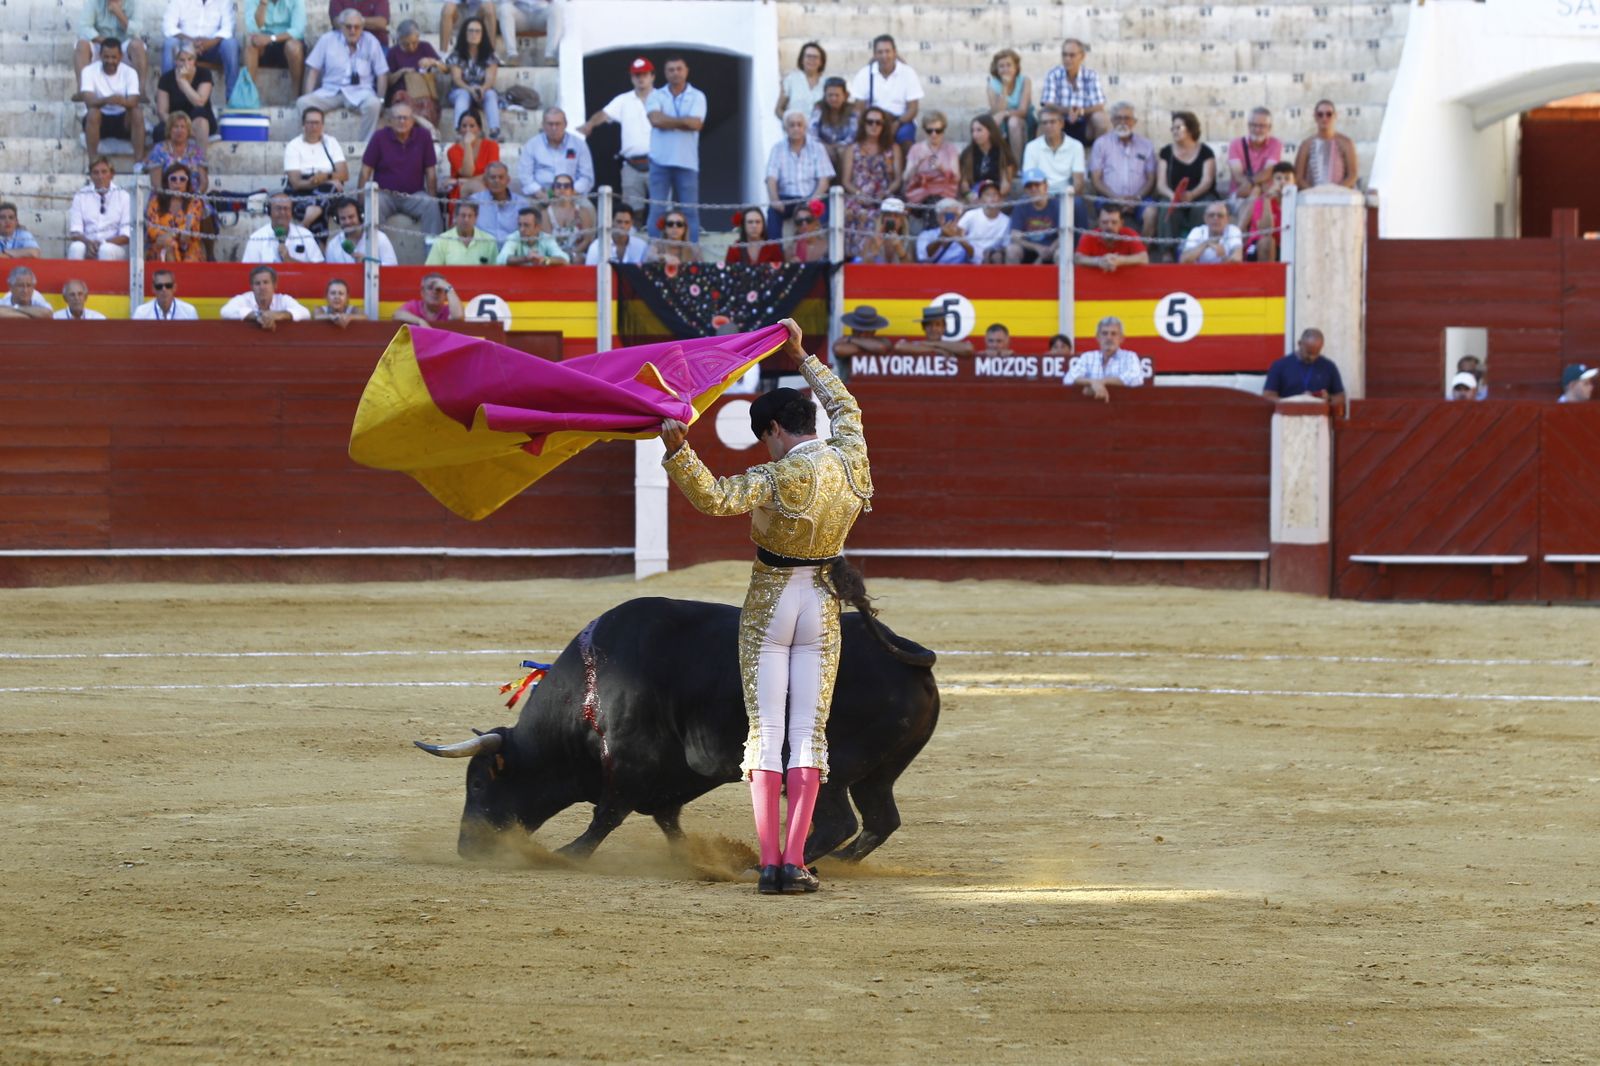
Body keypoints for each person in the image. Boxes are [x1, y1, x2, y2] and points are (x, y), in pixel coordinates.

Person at [657, 318, 874, 896]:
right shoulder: (852, 456)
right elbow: (846, 405)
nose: (768, 447)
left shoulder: (778, 475)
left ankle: (769, 862)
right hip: (823, 602)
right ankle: (793, 864)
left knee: (766, 729)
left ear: (775, 429)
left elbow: (714, 498)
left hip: (772, 603)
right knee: (808, 732)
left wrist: (679, 452)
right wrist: (803, 357)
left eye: (765, 437)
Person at [577, 57, 656, 211]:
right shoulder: (623, 100)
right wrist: (590, 124)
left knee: (661, 211)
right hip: (631, 166)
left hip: (659, 165)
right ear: (632, 78)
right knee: (632, 212)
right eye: (637, 75)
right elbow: (604, 114)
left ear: (652, 76)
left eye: (645, 74)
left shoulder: (664, 98)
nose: (641, 78)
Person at [299, 11, 388, 142]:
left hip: (361, 92)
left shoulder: (371, 41)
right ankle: (315, 143)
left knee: (374, 104)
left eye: (357, 27)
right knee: (303, 102)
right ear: (341, 26)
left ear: (362, 27)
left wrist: (381, 100)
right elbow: (313, 70)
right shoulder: (327, 39)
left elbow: (382, 73)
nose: (353, 30)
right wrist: (308, 94)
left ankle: (366, 146)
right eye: (348, 26)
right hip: (330, 91)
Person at [646, 57, 707, 240]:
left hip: (687, 162)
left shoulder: (698, 96)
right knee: (657, 210)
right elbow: (655, 120)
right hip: (659, 162)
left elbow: (696, 124)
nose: (675, 73)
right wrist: (683, 121)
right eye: (671, 69)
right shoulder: (655, 95)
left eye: (679, 69)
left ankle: (692, 251)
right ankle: (655, 250)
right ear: (665, 73)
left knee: (690, 212)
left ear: (686, 71)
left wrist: (667, 121)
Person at [360, 101, 442, 235]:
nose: (402, 121)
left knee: (431, 205)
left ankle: (433, 248)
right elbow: (365, 171)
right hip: (385, 195)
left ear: (413, 120)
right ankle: (376, 248)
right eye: (398, 118)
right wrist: (361, 203)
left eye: (406, 118)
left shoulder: (424, 136)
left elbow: (431, 173)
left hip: (414, 195)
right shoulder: (379, 137)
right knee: (374, 205)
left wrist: (433, 197)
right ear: (390, 121)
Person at [1152, 110, 1218, 258]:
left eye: (1179, 127)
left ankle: (1199, 249)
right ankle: (1167, 251)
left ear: (1190, 129)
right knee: (1166, 206)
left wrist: (1192, 194)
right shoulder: (1166, 152)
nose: (1174, 131)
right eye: (1173, 128)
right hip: (1173, 195)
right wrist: (1172, 196)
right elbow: (1161, 184)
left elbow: (1207, 181)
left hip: (1200, 195)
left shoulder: (1206, 152)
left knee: (1203, 206)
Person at [841, 106, 900, 259]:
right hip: (858, 196)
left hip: (883, 198)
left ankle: (877, 259)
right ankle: (856, 259)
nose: (874, 126)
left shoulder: (893, 148)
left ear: (884, 125)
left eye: (878, 123)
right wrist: (859, 194)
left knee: (883, 215)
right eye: (870, 122)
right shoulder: (852, 149)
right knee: (854, 212)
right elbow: (846, 181)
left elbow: (898, 179)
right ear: (864, 124)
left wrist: (886, 193)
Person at [765, 111, 834, 241]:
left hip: (813, 197)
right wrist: (775, 200)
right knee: (772, 212)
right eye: (792, 125)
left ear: (805, 127)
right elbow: (771, 179)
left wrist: (812, 200)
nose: (796, 128)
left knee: (827, 210)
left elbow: (824, 180)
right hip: (787, 199)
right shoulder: (777, 149)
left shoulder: (817, 148)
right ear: (785, 128)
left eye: (799, 124)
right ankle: (774, 253)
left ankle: (824, 251)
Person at [76, 37, 145, 163]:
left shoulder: (130, 72)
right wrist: (107, 100)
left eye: (114, 57)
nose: (110, 61)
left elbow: (134, 101)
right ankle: (93, 162)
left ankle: (139, 163)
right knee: (93, 112)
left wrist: (119, 101)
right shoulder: (89, 71)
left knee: (137, 112)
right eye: (106, 57)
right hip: (100, 120)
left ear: (121, 56)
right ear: (100, 55)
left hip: (123, 120)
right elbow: (88, 101)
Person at [1088, 101, 1156, 227]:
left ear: (1134, 122)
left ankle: (1143, 241)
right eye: (1118, 118)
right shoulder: (1101, 144)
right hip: (1109, 198)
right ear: (1112, 121)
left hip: (1139, 199)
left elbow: (1151, 179)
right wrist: (1116, 198)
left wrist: (1137, 198)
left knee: (1151, 213)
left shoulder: (1146, 145)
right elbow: (1096, 179)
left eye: (1127, 118)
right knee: (1108, 216)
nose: (1123, 122)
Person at [283, 106, 348, 234]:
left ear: (322, 125)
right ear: (303, 125)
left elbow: (344, 174)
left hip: (328, 186)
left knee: (328, 191)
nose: (314, 127)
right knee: (324, 202)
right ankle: (319, 244)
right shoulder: (293, 145)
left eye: (317, 123)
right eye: (310, 123)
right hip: (302, 190)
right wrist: (322, 181)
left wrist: (325, 177)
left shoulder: (331, 142)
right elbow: (296, 183)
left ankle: (304, 225)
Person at [847, 34, 921, 146]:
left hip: (900, 120)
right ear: (874, 54)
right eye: (880, 52)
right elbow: (859, 108)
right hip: (873, 120)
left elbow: (913, 109)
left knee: (906, 140)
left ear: (894, 52)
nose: (884, 56)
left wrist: (897, 124)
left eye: (887, 51)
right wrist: (870, 125)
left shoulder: (908, 73)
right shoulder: (864, 74)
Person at [161, 0, 239, 100]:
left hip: (213, 47)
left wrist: (210, 43)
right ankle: (166, 95)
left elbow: (228, 28)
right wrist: (191, 41)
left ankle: (232, 98)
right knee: (170, 43)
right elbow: (168, 26)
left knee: (231, 44)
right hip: (186, 46)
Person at [76, 0, 150, 102]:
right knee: (81, 45)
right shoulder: (93, 2)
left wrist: (119, 14)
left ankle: (140, 91)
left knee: (138, 46)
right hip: (100, 42)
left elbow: (137, 30)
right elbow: (84, 27)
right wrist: (106, 43)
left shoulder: (134, 2)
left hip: (124, 44)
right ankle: (82, 91)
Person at [1039, 37, 1108, 146]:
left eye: (1072, 55)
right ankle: (1043, 154)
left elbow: (1099, 105)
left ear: (1082, 56)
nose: (1067, 59)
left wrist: (1081, 112)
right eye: (1064, 55)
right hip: (1060, 122)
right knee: (1044, 116)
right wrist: (1069, 111)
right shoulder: (1053, 74)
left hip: (1085, 122)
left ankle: (1099, 154)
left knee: (1101, 119)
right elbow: (1047, 103)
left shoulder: (1091, 75)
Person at [517, 107, 593, 198]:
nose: (554, 128)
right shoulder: (532, 145)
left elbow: (586, 177)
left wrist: (571, 191)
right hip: (540, 195)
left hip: (573, 195)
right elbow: (525, 175)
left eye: (558, 124)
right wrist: (539, 192)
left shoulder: (579, 145)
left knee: (587, 207)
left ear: (565, 124)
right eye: (550, 124)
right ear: (543, 125)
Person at [1064, 316, 1145, 400]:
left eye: (1113, 333)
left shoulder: (1129, 357)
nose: (1109, 337)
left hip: (1121, 406)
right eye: (1104, 333)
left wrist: (1100, 383)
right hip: (1090, 407)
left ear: (1121, 338)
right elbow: (1069, 378)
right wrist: (1092, 382)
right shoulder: (1087, 357)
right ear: (1097, 337)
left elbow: (1136, 379)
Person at [446, 16, 501, 140]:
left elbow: (490, 79)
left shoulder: (489, 55)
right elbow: (457, 79)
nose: (474, 34)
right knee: (463, 95)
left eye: (477, 31)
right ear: (464, 33)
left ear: (482, 34)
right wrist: (470, 89)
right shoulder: (456, 55)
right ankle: (459, 131)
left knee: (490, 94)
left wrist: (482, 89)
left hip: (482, 90)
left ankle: (494, 131)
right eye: (470, 31)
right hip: (460, 90)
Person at [67, 157, 132, 261]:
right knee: (76, 247)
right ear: (91, 176)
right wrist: (88, 243)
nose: (100, 176)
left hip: (114, 247)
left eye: (104, 172)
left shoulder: (124, 197)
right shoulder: (81, 195)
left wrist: (103, 244)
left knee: (105, 250)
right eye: (95, 173)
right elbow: (75, 232)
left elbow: (126, 235)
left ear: (112, 175)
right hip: (88, 244)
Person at [155, 41, 216, 146]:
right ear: (176, 61)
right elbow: (162, 112)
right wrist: (179, 126)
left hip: (200, 119)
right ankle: (170, 157)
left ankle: (201, 155)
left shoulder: (204, 74)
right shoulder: (166, 78)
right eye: (181, 60)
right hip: (175, 121)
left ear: (195, 60)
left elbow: (199, 102)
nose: (186, 64)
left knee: (199, 112)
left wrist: (183, 83)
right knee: (159, 131)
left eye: (190, 59)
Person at [1262, 328, 1345, 404]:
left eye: (1316, 353)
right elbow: (1268, 396)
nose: (1311, 357)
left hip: (1319, 414)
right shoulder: (1280, 366)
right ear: (1299, 344)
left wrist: (1329, 398)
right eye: (1308, 353)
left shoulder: (1329, 367)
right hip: (1288, 413)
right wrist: (1293, 402)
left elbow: (1341, 397)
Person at [243, 0, 307, 98]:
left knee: (293, 47)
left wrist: (271, 38)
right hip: (264, 42)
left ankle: (296, 94)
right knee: (250, 45)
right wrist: (263, 4)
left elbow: (298, 30)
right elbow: (253, 28)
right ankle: (249, 95)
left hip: (287, 40)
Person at [445, 107, 500, 219]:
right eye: (464, 126)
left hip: (487, 188)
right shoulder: (453, 150)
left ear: (479, 128)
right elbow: (468, 172)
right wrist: (468, 145)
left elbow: (492, 174)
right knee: (475, 185)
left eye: (472, 126)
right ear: (459, 129)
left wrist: (463, 180)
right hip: (462, 192)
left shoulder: (491, 146)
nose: (467, 130)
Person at [146, 161, 206, 262]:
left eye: (182, 179)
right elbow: (152, 228)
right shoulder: (155, 201)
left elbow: (191, 224)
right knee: (169, 244)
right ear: (167, 182)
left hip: (188, 245)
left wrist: (172, 235)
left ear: (187, 183)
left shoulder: (195, 202)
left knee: (190, 256)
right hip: (162, 243)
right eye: (173, 179)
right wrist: (167, 238)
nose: (178, 182)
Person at [902, 111, 960, 215]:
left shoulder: (950, 149)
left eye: (938, 131)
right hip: (920, 194)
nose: (934, 134)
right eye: (929, 131)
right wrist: (916, 165)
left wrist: (941, 168)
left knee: (937, 203)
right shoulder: (916, 149)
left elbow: (957, 177)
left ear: (943, 130)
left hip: (943, 193)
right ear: (924, 131)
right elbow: (906, 178)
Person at [1020, 109, 1085, 200]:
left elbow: (1078, 182)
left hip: (1066, 195)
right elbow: (1029, 179)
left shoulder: (1076, 146)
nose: (1048, 126)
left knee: (1078, 203)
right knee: (1022, 203)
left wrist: (1067, 198)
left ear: (1062, 124)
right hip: (1040, 195)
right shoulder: (1031, 147)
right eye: (1044, 123)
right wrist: (1042, 198)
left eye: (1052, 122)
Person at [243, 192, 325, 263]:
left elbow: (319, 269)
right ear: (269, 211)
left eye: (286, 209)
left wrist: (289, 260)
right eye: (278, 208)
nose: (282, 213)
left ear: (292, 212)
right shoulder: (256, 238)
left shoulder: (305, 235)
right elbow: (248, 271)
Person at [1295, 100, 1359, 190]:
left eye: (1329, 114)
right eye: (1320, 114)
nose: (1324, 118)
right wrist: (1315, 193)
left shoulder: (1346, 143)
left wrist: (1335, 191)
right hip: (1312, 196)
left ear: (1335, 116)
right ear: (1315, 117)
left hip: (1340, 195)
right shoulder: (1306, 145)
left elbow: (1352, 175)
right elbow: (1299, 177)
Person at [221, 265, 312, 328]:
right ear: (252, 287)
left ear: (275, 285)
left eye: (266, 282)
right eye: (257, 283)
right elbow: (225, 311)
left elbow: (305, 313)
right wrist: (258, 315)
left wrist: (278, 315)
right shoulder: (244, 299)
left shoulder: (283, 299)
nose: (262, 287)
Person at [986, 47, 1033, 166]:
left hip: (1024, 119)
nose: (1005, 69)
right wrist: (1005, 88)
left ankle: (1017, 166)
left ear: (1016, 67)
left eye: (1009, 65)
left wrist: (1005, 114)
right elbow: (996, 112)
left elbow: (1023, 111)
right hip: (1002, 121)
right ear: (996, 69)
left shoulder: (1025, 81)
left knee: (1013, 122)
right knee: (987, 123)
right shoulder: (992, 84)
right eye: (1001, 66)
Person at [1228, 107, 1282, 205]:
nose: (1257, 129)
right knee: (1256, 192)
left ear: (1269, 127)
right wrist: (1254, 186)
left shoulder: (1275, 144)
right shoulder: (1236, 144)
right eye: (1253, 125)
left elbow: (1268, 172)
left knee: (1258, 193)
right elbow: (1237, 176)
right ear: (1248, 126)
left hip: (1265, 193)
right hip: (1241, 194)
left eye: (1262, 126)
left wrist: (1253, 184)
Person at [1074, 202, 1149, 273]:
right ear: (1099, 222)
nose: (1109, 226)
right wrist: (1099, 261)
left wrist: (1120, 260)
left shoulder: (1129, 234)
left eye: (1114, 222)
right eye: (1105, 222)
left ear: (1121, 223)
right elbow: (1077, 258)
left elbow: (1144, 258)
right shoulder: (1090, 235)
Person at [1005, 169, 1060, 264]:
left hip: (1051, 248)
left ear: (1046, 186)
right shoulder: (1021, 205)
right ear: (1025, 190)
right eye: (1029, 186)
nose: (1033, 189)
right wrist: (1036, 247)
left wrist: (1050, 249)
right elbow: (1015, 236)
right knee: (1012, 250)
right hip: (1028, 249)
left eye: (1037, 185)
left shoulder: (1057, 205)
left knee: (1061, 253)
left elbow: (1063, 236)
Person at [1243, 162, 1295, 263]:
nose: (1283, 182)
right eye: (1278, 178)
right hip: (1259, 246)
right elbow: (1266, 230)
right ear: (1272, 182)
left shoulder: (1299, 203)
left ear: (1294, 182)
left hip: (1285, 247)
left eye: (1287, 178)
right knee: (1268, 241)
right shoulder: (1261, 201)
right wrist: (1267, 200)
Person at [323, 197, 398, 264]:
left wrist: (369, 263)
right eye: (343, 218)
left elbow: (392, 268)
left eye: (351, 217)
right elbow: (330, 273)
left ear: (360, 216)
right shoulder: (333, 245)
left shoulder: (380, 238)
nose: (347, 222)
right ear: (337, 220)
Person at [958, 115, 1015, 202]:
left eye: (979, 130)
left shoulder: (1003, 152)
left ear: (990, 131)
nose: (975, 134)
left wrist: (993, 196)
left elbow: (1006, 183)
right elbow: (964, 183)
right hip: (975, 194)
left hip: (996, 193)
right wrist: (969, 195)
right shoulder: (968, 153)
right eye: (973, 131)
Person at [425, 199, 500, 265]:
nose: (466, 220)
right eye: (463, 215)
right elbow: (431, 271)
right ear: (455, 216)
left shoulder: (489, 241)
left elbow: (496, 272)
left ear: (476, 218)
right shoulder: (442, 240)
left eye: (470, 216)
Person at [809, 76, 856, 174]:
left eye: (837, 95)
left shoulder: (852, 110)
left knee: (843, 153)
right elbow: (812, 132)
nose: (833, 98)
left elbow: (854, 134)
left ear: (845, 95)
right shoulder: (819, 108)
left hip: (845, 147)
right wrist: (824, 146)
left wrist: (840, 145)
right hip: (824, 147)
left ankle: (844, 182)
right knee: (824, 153)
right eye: (830, 95)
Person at [468, 161, 524, 240]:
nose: (497, 181)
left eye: (501, 177)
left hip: (512, 246)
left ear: (508, 180)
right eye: (493, 177)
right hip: (483, 245)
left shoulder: (522, 203)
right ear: (485, 180)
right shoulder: (474, 201)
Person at [830, 303, 891, 375]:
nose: (862, 334)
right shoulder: (844, 342)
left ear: (874, 331)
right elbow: (838, 349)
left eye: (866, 331)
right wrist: (869, 347)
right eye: (859, 331)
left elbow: (881, 347)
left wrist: (852, 339)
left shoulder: (881, 340)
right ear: (853, 329)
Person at [545, 175, 596, 260]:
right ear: (553, 190)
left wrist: (572, 254)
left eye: (566, 186)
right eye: (558, 186)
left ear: (572, 191)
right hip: (553, 256)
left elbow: (587, 240)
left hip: (576, 255)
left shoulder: (583, 212)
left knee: (578, 259)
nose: (562, 189)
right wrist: (560, 256)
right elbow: (547, 241)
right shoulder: (545, 213)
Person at [497, 205, 569, 265]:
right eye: (519, 225)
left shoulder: (547, 238)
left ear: (538, 227)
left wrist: (544, 260)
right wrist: (526, 259)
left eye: (526, 225)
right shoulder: (514, 237)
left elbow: (564, 259)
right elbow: (500, 259)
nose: (521, 229)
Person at [894, 306, 975, 359]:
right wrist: (935, 349)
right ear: (923, 327)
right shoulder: (917, 344)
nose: (933, 329)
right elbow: (899, 347)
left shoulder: (951, 345)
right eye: (929, 325)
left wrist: (932, 344)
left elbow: (968, 348)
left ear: (944, 328)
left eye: (938, 324)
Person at [959, 182, 1011, 263]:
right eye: (988, 195)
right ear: (980, 200)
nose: (992, 198)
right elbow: (958, 233)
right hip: (969, 258)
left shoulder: (1007, 221)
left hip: (993, 259)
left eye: (995, 194)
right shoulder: (970, 215)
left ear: (1000, 199)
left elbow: (1006, 245)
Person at [776, 41, 827, 121]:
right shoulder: (790, 80)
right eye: (808, 56)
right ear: (802, 60)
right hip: (796, 127)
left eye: (815, 57)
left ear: (821, 62)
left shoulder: (827, 82)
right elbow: (779, 109)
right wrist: (790, 121)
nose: (811, 60)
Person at [584, 202, 649, 265]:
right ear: (611, 222)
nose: (623, 226)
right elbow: (590, 271)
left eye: (627, 222)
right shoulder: (597, 246)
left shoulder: (641, 246)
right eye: (619, 222)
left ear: (631, 223)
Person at [490, 0, 550, 67]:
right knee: (505, 8)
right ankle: (512, 55)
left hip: (541, 14)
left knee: (556, 8)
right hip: (520, 15)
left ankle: (551, 56)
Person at [1179, 202, 1243, 264]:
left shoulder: (1233, 230)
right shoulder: (1197, 231)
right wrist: (1206, 243)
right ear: (1205, 218)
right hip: (1200, 270)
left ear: (1227, 219)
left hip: (1225, 270)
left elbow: (1237, 260)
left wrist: (1223, 256)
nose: (1215, 218)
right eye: (1211, 215)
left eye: (1220, 215)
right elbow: (1183, 260)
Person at [915, 197, 974, 264]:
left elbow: (975, 258)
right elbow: (924, 258)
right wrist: (941, 237)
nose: (951, 219)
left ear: (959, 217)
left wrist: (959, 238)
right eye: (946, 215)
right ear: (938, 217)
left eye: (954, 215)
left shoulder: (967, 234)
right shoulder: (926, 235)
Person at [854, 197, 910, 265]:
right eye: (888, 215)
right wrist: (875, 248)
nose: (892, 219)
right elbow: (862, 267)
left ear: (902, 221)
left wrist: (900, 250)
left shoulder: (908, 241)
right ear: (882, 218)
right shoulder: (871, 239)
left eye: (896, 216)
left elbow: (912, 269)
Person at [393, 272, 464, 325]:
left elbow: (458, 317)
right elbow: (397, 314)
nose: (434, 292)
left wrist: (449, 288)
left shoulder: (449, 309)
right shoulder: (414, 306)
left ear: (445, 294)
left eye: (439, 289)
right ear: (422, 292)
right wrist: (420, 321)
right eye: (430, 288)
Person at [133, 268, 199, 319]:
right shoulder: (141, 313)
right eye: (159, 286)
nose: (164, 289)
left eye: (168, 286)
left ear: (174, 287)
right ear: (153, 289)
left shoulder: (189, 312)